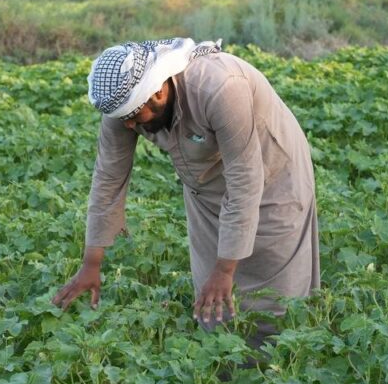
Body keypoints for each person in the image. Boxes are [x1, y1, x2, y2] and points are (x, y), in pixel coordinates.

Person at [51, 37, 319, 347]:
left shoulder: (220, 87)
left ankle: (279, 368)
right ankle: (224, 377)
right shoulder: (124, 106)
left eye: (135, 118)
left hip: (272, 172)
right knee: (212, 292)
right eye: (124, 120)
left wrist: (225, 268)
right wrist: (91, 263)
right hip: (204, 184)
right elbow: (108, 177)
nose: (129, 127)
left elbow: (245, 179)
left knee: (273, 287)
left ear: (159, 91)